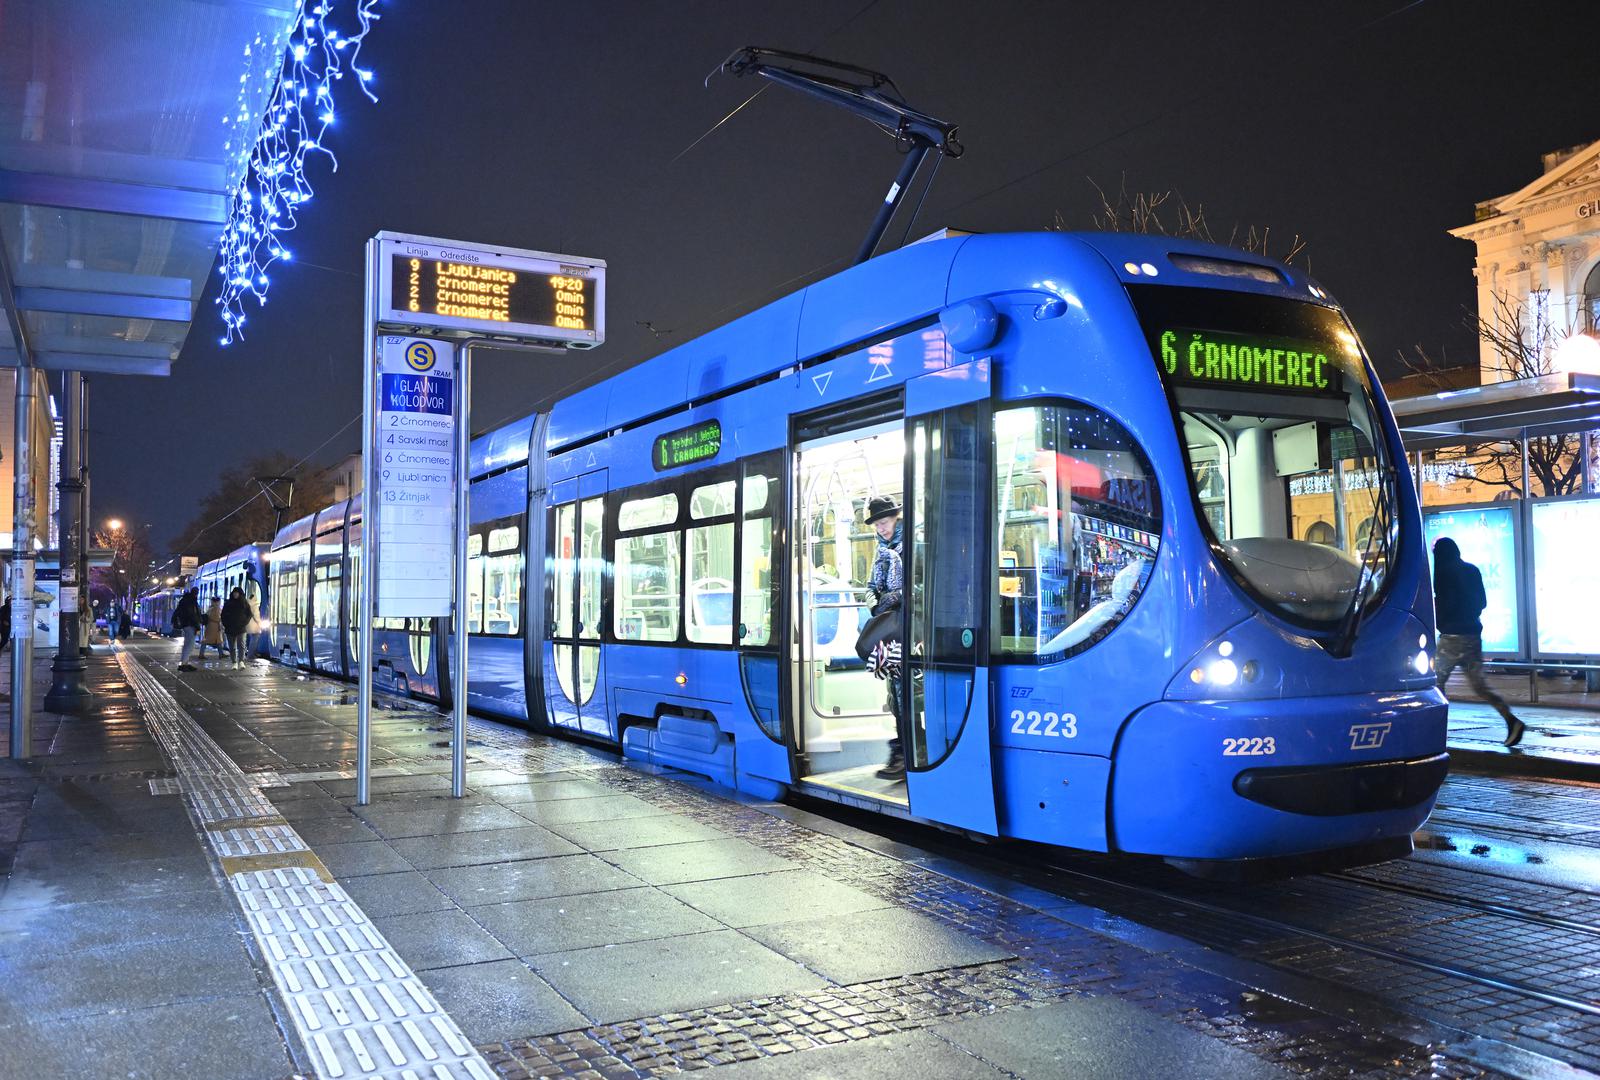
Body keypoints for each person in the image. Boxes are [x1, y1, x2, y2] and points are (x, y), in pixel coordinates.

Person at [1433, 536, 1524, 747]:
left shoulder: (1444, 572)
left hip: (1451, 638)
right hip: (1472, 635)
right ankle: (1511, 720)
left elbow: (1444, 603)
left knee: (1436, 684)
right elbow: (1482, 602)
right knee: (1480, 686)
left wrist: (1443, 621)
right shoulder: (1472, 570)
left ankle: (1435, 730)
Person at [864, 495, 906, 780]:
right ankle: (902, 748)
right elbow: (869, 588)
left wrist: (890, 600)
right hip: (888, 629)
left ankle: (906, 750)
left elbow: (915, 586)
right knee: (895, 692)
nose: (881, 528)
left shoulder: (909, 546)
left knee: (905, 692)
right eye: (878, 524)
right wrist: (875, 606)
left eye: (885, 522)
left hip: (907, 628)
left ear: (895, 519)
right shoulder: (880, 552)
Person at [173, 587, 202, 671]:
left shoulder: (185, 600)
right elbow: (192, 615)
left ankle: (185, 662)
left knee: (187, 644)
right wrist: (197, 625)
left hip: (186, 625)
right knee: (189, 645)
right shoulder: (191, 601)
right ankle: (184, 664)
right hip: (190, 625)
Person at [222, 587, 252, 670]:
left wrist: (244, 622)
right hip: (230, 628)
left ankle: (241, 661)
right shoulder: (228, 603)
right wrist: (226, 624)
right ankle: (234, 662)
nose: (235, 594)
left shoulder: (244, 603)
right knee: (232, 647)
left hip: (241, 628)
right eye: (234, 593)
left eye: (237, 593)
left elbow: (249, 614)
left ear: (240, 594)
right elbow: (223, 615)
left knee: (241, 645)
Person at [199, 596, 224, 663]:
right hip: (214, 626)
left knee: (218, 640)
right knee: (207, 640)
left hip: (211, 626)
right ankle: (201, 654)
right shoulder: (216, 608)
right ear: (217, 602)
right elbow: (217, 618)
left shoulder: (210, 608)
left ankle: (221, 653)